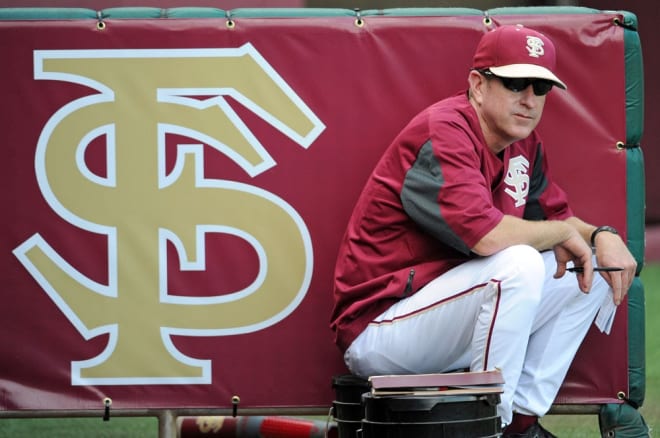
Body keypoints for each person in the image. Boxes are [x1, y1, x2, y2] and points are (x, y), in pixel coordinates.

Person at [330, 24, 637, 437]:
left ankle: (521, 424)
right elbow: (487, 237)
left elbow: (561, 223)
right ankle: (489, 426)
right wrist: (562, 234)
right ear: (477, 85)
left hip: (449, 313)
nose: (529, 100)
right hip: (381, 327)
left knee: (597, 266)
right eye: (514, 83)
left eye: (539, 88)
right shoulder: (445, 130)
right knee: (518, 262)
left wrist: (603, 235)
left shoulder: (523, 145)